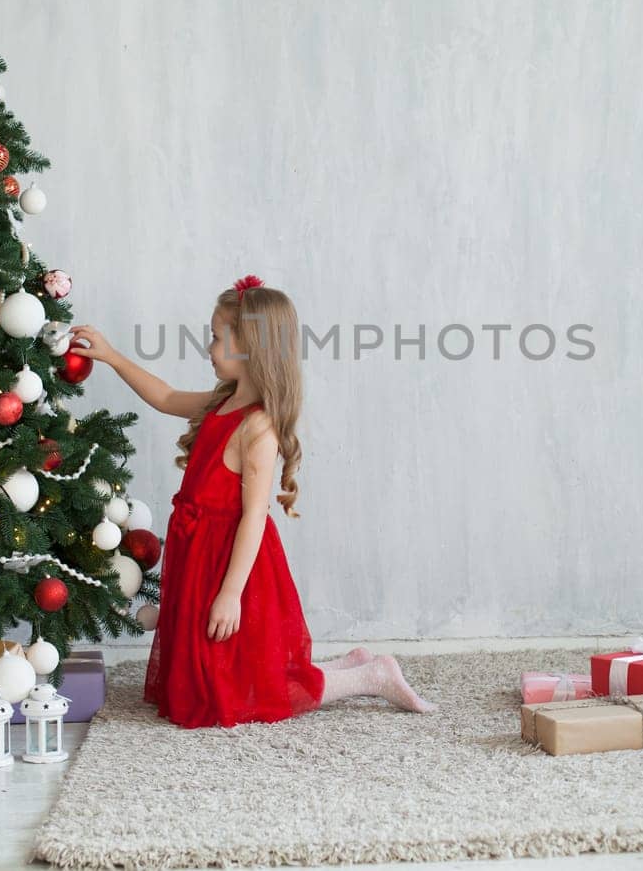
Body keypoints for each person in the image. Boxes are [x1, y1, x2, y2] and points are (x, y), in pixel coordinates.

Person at [70, 274, 436, 728]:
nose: (208, 346)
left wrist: (230, 594)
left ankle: (370, 676)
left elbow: (253, 518)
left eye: (217, 338)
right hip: (198, 550)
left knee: (248, 693)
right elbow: (164, 397)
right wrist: (109, 356)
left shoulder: (257, 427)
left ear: (251, 348)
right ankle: (350, 663)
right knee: (216, 677)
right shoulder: (221, 403)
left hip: (231, 561)